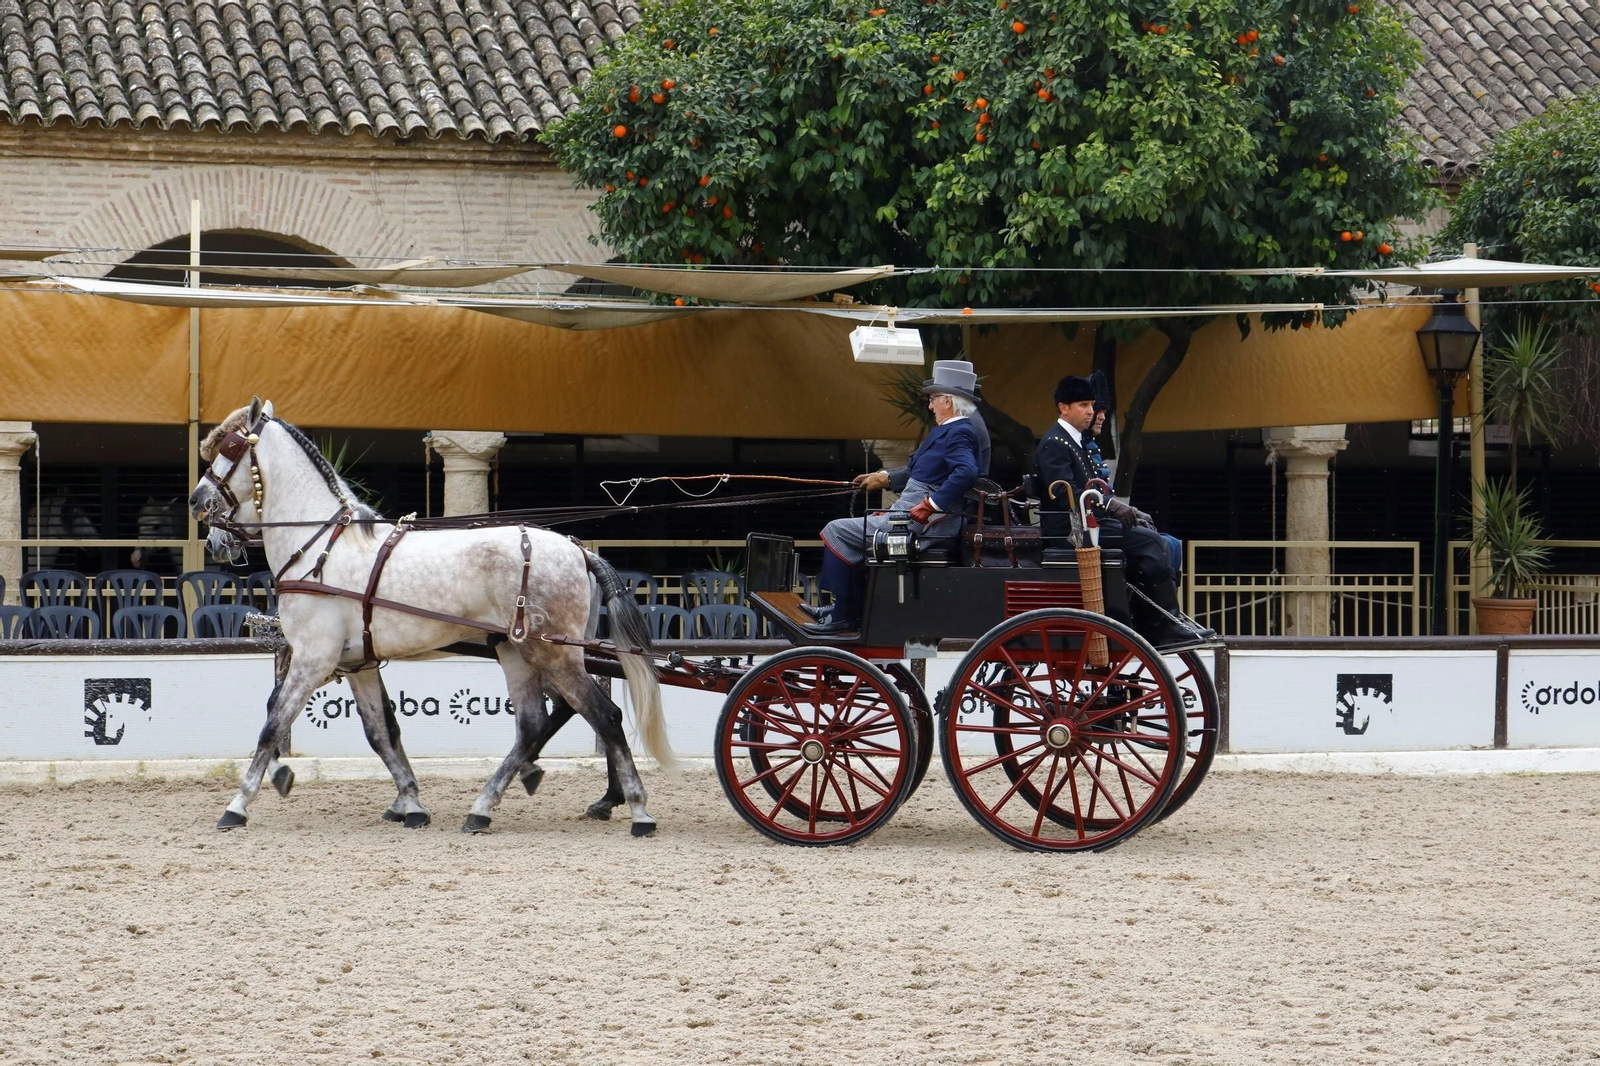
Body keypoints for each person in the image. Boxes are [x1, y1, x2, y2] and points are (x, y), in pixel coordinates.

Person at [805, 361, 983, 634]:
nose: (930, 405)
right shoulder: (952, 430)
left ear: (948, 401)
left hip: (923, 519)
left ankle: (844, 612)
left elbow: (967, 472)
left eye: (934, 399)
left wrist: (931, 505)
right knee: (851, 532)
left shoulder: (958, 431)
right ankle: (848, 606)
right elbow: (921, 471)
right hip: (913, 510)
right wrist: (884, 476)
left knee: (836, 530)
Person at [1035, 374, 1195, 649]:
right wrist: (1109, 505)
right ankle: (1163, 623)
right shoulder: (1055, 442)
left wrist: (1127, 508)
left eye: (1091, 404)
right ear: (1063, 407)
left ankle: (1159, 618)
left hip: (1090, 525)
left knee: (1154, 536)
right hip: (1071, 531)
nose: (1090, 411)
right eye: (1083, 405)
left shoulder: (1073, 440)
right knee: (1151, 542)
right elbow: (1064, 493)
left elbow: (1091, 487)